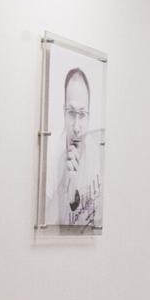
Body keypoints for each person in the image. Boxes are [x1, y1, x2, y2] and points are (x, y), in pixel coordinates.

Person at [54, 66, 102, 228]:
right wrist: (67, 185)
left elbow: (95, 222)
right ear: (63, 112)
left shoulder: (97, 156)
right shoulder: (53, 156)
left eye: (82, 114)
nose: (76, 127)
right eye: (71, 113)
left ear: (89, 116)